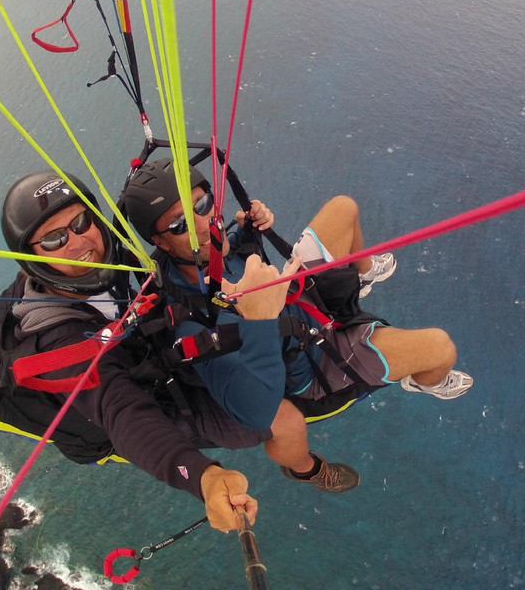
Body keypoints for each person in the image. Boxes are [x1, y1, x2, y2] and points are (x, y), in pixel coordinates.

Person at [0, 171, 287, 532]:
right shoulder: (60, 342)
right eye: (54, 239)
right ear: (33, 259)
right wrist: (203, 478)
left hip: (136, 350)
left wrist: (238, 233)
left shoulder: (102, 260)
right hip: (112, 410)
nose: (78, 241)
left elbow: (160, 246)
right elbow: (122, 413)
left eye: (81, 221)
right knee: (279, 418)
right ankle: (305, 467)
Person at [120, 158, 473, 493]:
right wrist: (258, 318)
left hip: (299, 299)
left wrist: (246, 233)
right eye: (181, 225)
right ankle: (309, 467)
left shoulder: (205, 253)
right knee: (440, 350)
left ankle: (361, 274)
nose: (202, 223)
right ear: (160, 242)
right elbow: (256, 412)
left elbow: (238, 257)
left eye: (202, 205)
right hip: (316, 364)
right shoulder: (193, 325)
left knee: (343, 208)